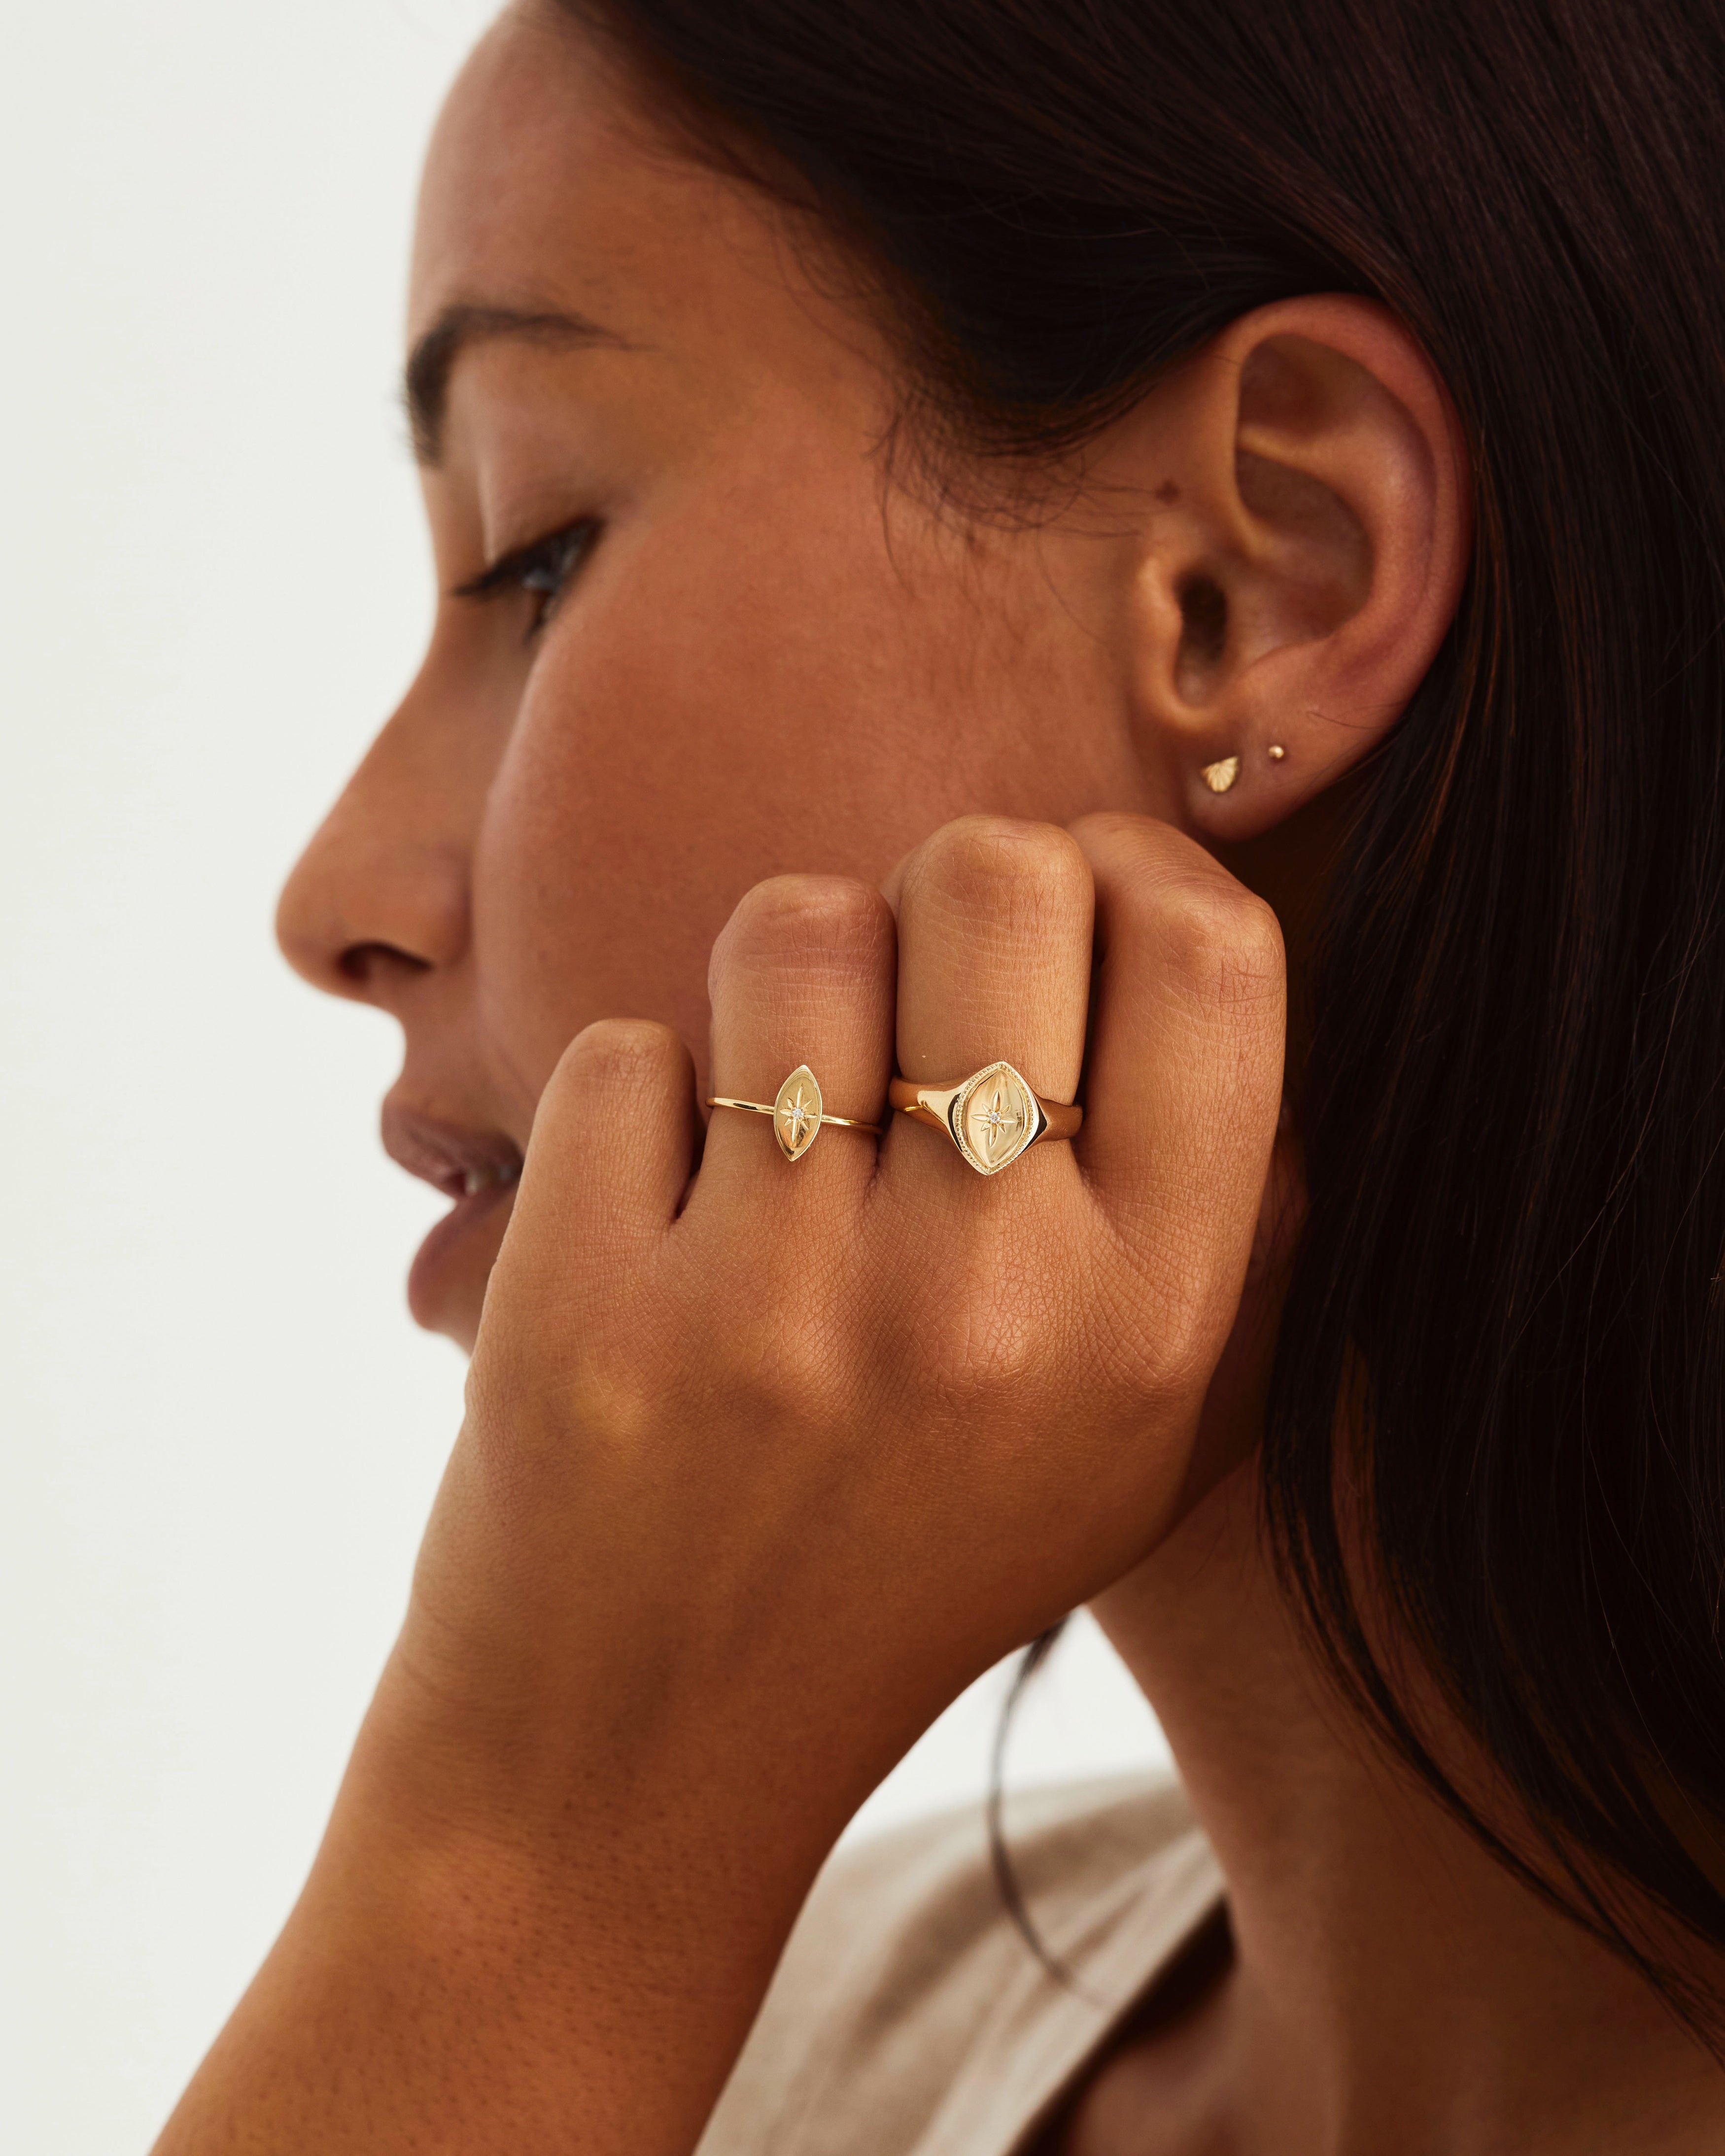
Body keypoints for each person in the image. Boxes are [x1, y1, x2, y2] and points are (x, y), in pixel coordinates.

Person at [153, 0, 1725, 2149]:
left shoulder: (614, 1980)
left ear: (1258, 578)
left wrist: (531, 1864)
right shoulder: (795, 2030)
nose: (336, 892)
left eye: (532, 549)